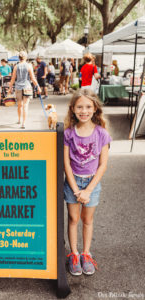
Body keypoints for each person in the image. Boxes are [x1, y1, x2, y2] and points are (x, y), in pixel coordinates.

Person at [64, 89, 112, 276]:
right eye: (79, 107)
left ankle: (86, 253)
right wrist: (76, 190)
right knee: (73, 219)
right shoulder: (69, 133)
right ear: (73, 109)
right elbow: (66, 164)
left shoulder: (101, 134)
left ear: (95, 109)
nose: (84, 111)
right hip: (73, 183)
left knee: (87, 220)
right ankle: (74, 254)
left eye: (88, 107)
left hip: (92, 184)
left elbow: (103, 165)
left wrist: (88, 190)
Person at [9, 51, 41, 129]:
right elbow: (33, 78)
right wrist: (38, 86)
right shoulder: (29, 66)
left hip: (18, 87)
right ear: (25, 57)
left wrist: (10, 88)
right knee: (25, 106)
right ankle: (23, 123)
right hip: (27, 87)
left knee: (19, 105)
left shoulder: (16, 66)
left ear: (19, 58)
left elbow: (13, 79)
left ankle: (19, 119)